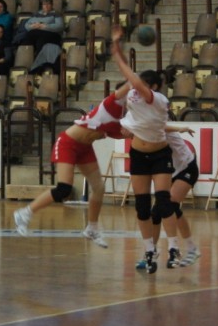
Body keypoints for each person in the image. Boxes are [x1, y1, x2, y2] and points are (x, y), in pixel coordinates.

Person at [13, 83, 130, 246]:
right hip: (68, 143)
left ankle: (92, 228)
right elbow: (129, 86)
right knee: (64, 188)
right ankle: (24, 213)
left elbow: (128, 133)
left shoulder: (124, 117)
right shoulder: (111, 104)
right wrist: (135, 83)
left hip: (85, 148)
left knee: (99, 188)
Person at [111, 25, 175, 274]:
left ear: (154, 86)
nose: (137, 87)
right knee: (141, 206)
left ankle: (174, 247)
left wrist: (118, 57)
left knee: (163, 201)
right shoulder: (134, 95)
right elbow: (130, 87)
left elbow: (134, 80)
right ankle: (149, 251)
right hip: (138, 154)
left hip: (159, 154)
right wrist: (117, 47)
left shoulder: (158, 99)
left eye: (144, 84)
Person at [135, 126, 202, 270]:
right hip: (169, 171)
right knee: (156, 212)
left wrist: (182, 128)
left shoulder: (155, 124)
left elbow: (163, 127)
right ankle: (151, 251)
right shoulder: (143, 128)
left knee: (171, 205)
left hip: (187, 168)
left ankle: (192, 249)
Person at [16, 0, 65, 74]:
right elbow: (27, 25)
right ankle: (25, 61)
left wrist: (44, 26)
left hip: (51, 34)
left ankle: (39, 63)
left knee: (41, 40)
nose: (46, 6)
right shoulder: (37, 14)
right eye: (44, 4)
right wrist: (33, 26)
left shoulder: (56, 14)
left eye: (48, 4)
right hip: (36, 32)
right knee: (28, 37)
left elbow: (59, 26)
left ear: (52, 5)